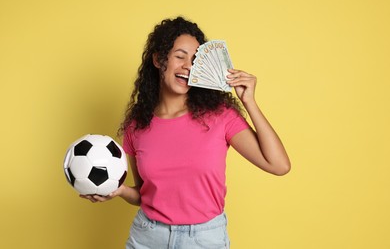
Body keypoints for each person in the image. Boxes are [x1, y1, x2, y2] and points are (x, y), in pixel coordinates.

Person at [81, 16, 291, 249]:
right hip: (147, 237)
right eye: (180, 56)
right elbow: (144, 194)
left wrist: (248, 101)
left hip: (204, 239)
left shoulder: (220, 116)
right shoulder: (136, 125)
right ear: (159, 60)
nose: (188, 66)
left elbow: (279, 165)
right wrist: (119, 190)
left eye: (196, 60)